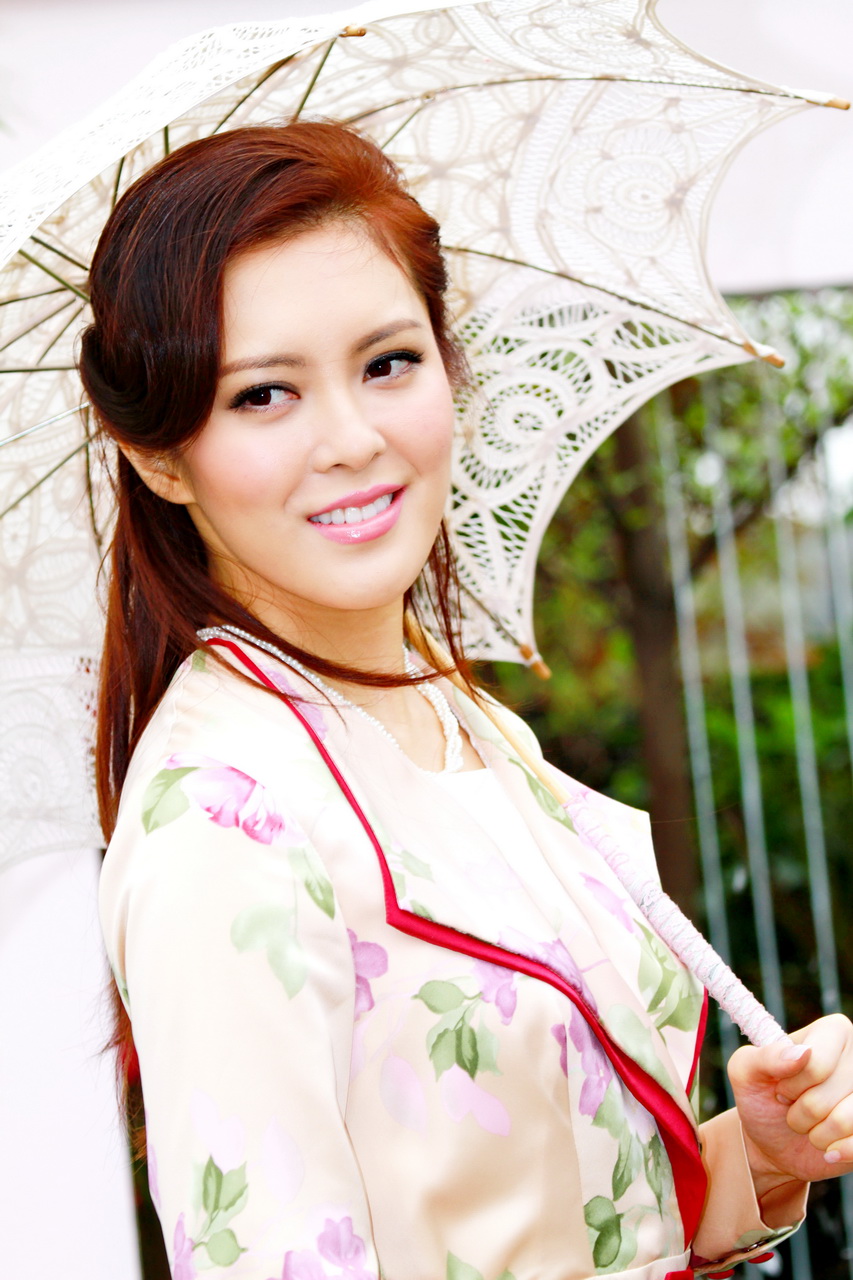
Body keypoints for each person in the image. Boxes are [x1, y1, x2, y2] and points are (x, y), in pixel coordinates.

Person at [82, 122, 853, 1280]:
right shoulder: (224, 817)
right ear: (160, 458)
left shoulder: (462, 719)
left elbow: (565, 1218)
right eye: (263, 393)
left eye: (388, 362)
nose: (353, 438)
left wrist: (757, 1155)